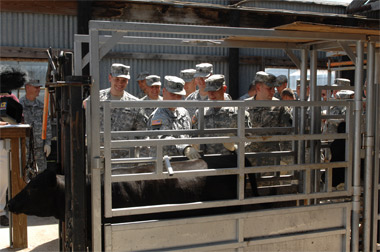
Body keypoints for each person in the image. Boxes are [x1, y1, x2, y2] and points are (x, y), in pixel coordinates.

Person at [83, 63, 147, 160]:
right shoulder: (97, 98)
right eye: (117, 79)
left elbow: (142, 134)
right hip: (98, 157)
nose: (120, 83)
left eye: (124, 80)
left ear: (128, 81)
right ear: (110, 78)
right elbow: (83, 110)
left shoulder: (135, 104)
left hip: (122, 160)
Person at [192, 74, 252, 155]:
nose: (211, 94)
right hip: (208, 161)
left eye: (214, 90)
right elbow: (194, 136)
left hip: (232, 161)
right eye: (209, 91)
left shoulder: (238, 113)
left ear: (224, 89)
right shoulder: (201, 113)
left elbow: (249, 139)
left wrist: (236, 147)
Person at [245, 71, 293, 166]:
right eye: (269, 88)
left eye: (274, 88)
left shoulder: (279, 107)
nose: (273, 92)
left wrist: (285, 160)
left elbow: (288, 134)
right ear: (258, 87)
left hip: (271, 160)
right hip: (249, 160)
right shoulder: (245, 106)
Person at [148, 76, 200, 159]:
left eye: (179, 96)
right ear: (164, 91)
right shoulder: (158, 116)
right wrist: (185, 148)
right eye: (172, 94)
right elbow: (163, 137)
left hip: (183, 163)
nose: (176, 99)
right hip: (163, 164)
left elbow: (190, 133)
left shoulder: (184, 112)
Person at [19, 79, 52, 172]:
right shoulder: (19, 106)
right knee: (24, 176)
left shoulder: (42, 106)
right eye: (36, 87)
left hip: (39, 150)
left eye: (39, 87)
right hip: (24, 149)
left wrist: (47, 143)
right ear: (27, 87)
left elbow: (47, 126)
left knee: (41, 176)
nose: (38, 89)